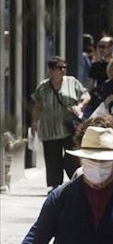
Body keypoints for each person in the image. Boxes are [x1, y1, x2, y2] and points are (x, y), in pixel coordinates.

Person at [31, 56, 90, 190]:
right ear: (51, 70)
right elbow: (37, 105)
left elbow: (86, 95)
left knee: (72, 158)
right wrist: (35, 122)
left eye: (64, 67)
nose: (63, 70)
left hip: (69, 128)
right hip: (50, 129)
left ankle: (76, 183)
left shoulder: (72, 82)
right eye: (59, 68)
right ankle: (55, 186)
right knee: (52, 159)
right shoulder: (43, 86)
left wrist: (80, 106)